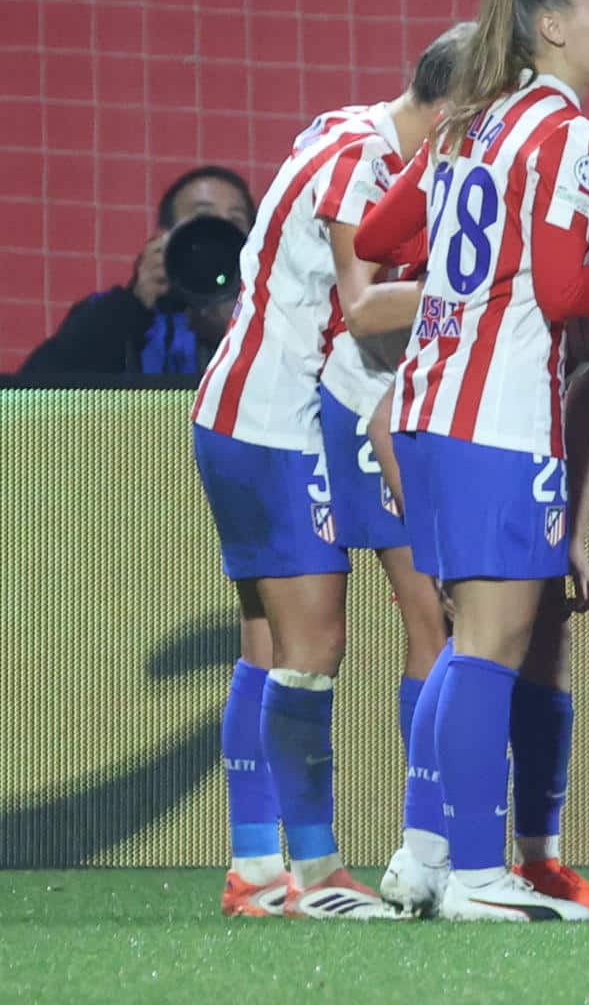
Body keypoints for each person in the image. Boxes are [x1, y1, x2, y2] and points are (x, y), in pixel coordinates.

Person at [352, 0, 589, 922]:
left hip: (429, 408)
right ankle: (483, 873)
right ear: (551, 23)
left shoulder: (469, 123)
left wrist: (454, 260)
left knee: (463, 640)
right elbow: (569, 289)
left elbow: (375, 237)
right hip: (498, 415)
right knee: (493, 643)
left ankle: (424, 852)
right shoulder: (565, 133)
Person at [191, 122, 407, 919]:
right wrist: (485, 281)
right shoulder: (363, 163)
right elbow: (361, 310)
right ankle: (315, 875)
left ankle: (254, 866)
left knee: (266, 645)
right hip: (273, 423)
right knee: (315, 642)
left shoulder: (340, 128)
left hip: (236, 408)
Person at [21, 167, 255, 375]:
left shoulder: (269, 322)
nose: (220, 232)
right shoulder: (112, 314)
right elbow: (36, 395)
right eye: (204, 217)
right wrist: (134, 303)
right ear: (166, 236)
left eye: (235, 221)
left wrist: (245, 327)